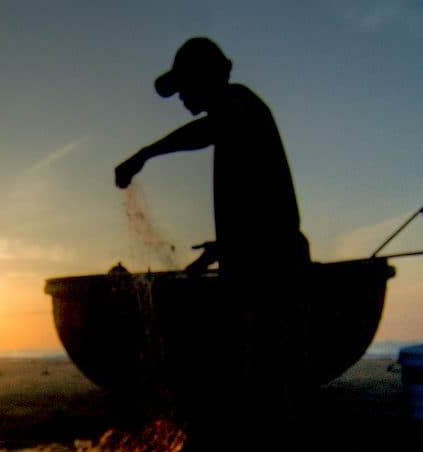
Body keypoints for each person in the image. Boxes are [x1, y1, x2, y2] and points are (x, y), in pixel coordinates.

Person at [114, 37, 310, 281]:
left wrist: (144, 155)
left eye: (183, 86)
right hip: (256, 264)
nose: (181, 97)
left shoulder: (241, 104)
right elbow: (259, 213)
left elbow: (202, 131)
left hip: (277, 270)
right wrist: (223, 248)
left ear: (203, 77)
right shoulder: (233, 126)